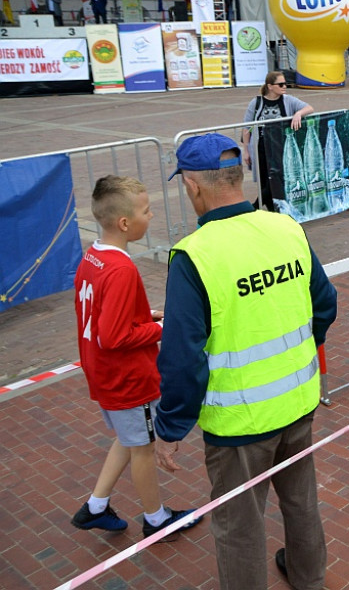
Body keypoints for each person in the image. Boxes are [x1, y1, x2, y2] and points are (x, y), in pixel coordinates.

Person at [154, 133, 338, 590]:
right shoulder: (285, 227)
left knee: (239, 525)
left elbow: (182, 357)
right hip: (298, 401)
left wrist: (171, 426)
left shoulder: (194, 255)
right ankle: (308, 578)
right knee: (301, 502)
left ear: (193, 185)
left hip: (239, 424)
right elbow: (326, 303)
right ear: (238, 175)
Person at [70, 176, 201, 539]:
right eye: (146, 210)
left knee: (129, 439)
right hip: (128, 378)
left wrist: (146, 318)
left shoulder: (94, 256)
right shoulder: (122, 268)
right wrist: (162, 329)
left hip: (104, 374)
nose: (152, 214)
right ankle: (155, 518)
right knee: (142, 447)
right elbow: (114, 336)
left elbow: (102, 320)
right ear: (125, 223)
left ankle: (96, 506)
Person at [241, 71, 314, 212]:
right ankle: (272, 211)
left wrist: (298, 113)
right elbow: (247, 127)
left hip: (280, 147)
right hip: (261, 146)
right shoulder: (256, 102)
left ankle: (253, 208)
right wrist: (246, 150)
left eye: (285, 83)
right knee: (265, 181)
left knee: (276, 180)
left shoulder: (288, 100)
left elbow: (309, 108)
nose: (284, 86)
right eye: (281, 84)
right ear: (270, 86)